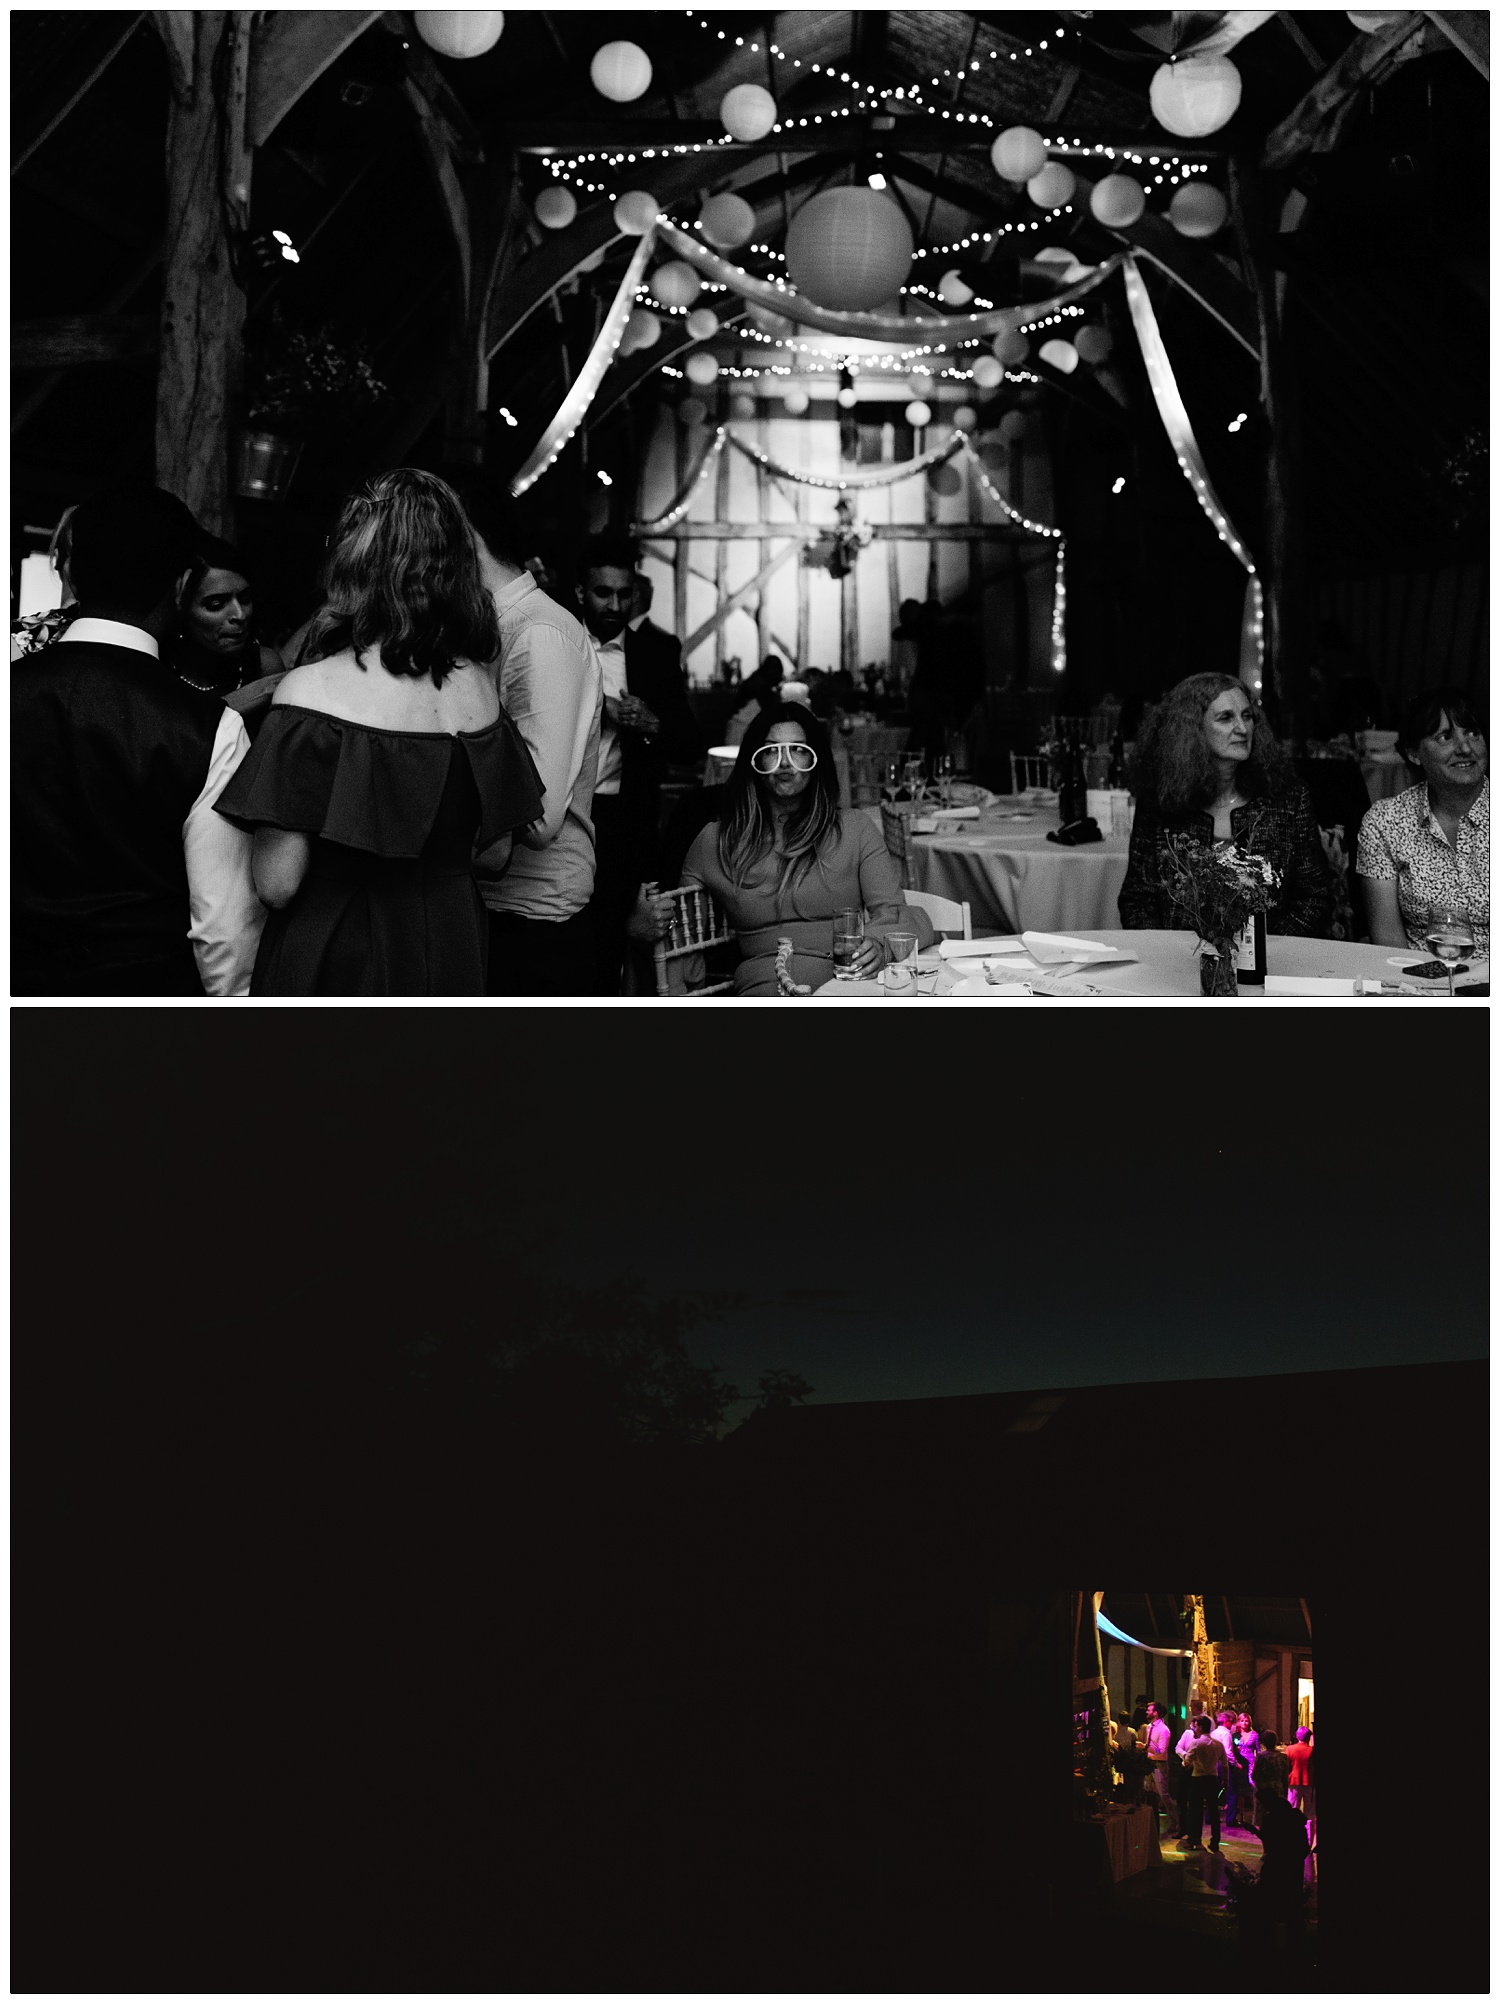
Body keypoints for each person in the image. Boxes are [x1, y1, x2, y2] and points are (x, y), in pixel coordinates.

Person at [213, 468, 543, 995]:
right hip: (451, 942)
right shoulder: (481, 691)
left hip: (342, 949)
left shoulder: (310, 692)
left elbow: (277, 883)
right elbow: (493, 856)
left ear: (355, 563)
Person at [12, 484, 263, 996]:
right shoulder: (209, 727)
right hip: (142, 1008)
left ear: (74, 572)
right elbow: (225, 935)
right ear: (181, 586)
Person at [680, 701, 933, 995]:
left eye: (798, 749)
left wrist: (878, 943)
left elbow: (893, 913)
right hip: (767, 984)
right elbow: (679, 933)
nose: (785, 762)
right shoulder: (718, 840)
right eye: (771, 750)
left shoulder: (854, 828)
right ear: (754, 760)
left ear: (817, 761)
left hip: (849, 983)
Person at [461, 482, 603, 996]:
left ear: (464, 535)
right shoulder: (490, 627)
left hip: (532, 915)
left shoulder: (538, 633)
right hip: (490, 903)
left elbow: (539, 817)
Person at [578, 535, 704, 994]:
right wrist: (598, 708)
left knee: (621, 944)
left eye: (623, 593)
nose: (615, 604)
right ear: (579, 593)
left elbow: (691, 744)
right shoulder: (557, 641)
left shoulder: (656, 652)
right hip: (560, 815)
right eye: (602, 592)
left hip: (623, 820)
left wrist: (652, 723)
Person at [1117, 672, 1333, 935]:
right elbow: (1137, 900)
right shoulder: (1160, 801)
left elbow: (1315, 898)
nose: (1242, 729)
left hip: (1270, 965)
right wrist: (1173, 954)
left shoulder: (1287, 799)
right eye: (1226, 718)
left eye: (1247, 716)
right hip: (1178, 962)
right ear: (1192, 729)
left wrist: (1261, 953)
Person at [1356, 687, 1488, 955]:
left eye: (1473, 733)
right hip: (1418, 981)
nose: (1465, 748)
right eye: (1445, 737)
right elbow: (1388, 942)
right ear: (1414, 753)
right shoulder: (1385, 823)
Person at [166, 534, 283, 696]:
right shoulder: (156, 669)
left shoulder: (265, 667)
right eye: (216, 605)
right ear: (182, 603)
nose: (240, 615)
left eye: (245, 599)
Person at [1177, 1714, 1228, 1852]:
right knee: (1214, 1810)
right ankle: (1215, 1841)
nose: (1195, 1728)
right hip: (1212, 1779)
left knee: (1195, 1810)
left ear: (1200, 1727)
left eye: (1196, 1725)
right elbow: (1225, 1764)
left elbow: (1187, 1761)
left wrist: (1185, 1762)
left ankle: (1195, 1840)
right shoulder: (1218, 1744)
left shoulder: (1196, 1743)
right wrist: (1226, 1780)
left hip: (1197, 1778)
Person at [725, 654, 786, 746]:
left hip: (739, 728)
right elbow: (772, 712)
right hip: (741, 730)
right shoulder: (760, 685)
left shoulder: (755, 679)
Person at [1144, 1701, 1174, 1831]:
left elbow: (1161, 1752)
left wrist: (1146, 1747)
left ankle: (1174, 1821)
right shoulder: (1148, 1727)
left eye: (1149, 1710)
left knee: (1163, 1794)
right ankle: (1150, 1820)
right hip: (1148, 1763)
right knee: (1147, 1791)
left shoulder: (1164, 1730)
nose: (1147, 1712)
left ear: (1155, 1713)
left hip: (1159, 1764)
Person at [1252, 1730, 1291, 1813]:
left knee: (1262, 1815)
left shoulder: (1260, 1756)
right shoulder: (1283, 1757)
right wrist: (1285, 1791)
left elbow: (1255, 1775)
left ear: (1263, 1743)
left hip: (1263, 1789)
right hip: (1277, 1788)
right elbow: (1285, 1777)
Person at [1235, 1713, 1261, 1831]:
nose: (1244, 1723)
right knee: (1240, 1791)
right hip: (1240, 1765)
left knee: (1251, 1791)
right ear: (1238, 1722)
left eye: (1246, 1721)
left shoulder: (1254, 1735)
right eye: (1242, 1721)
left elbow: (1258, 1752)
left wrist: (1256, 1765)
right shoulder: (1236, 1735)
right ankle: (1241, 1816)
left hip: (1250, 1764)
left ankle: (1255, 1816)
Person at [1286, 1727, 1315, 1823]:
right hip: (1309, 1782)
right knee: (1309, 1812)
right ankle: (1308, 1834)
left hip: (1294, 1781)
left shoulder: (1289, 1749)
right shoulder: (1312, 1750)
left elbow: (1287, 1767)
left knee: (1292, 1810)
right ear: (1309, 1737)